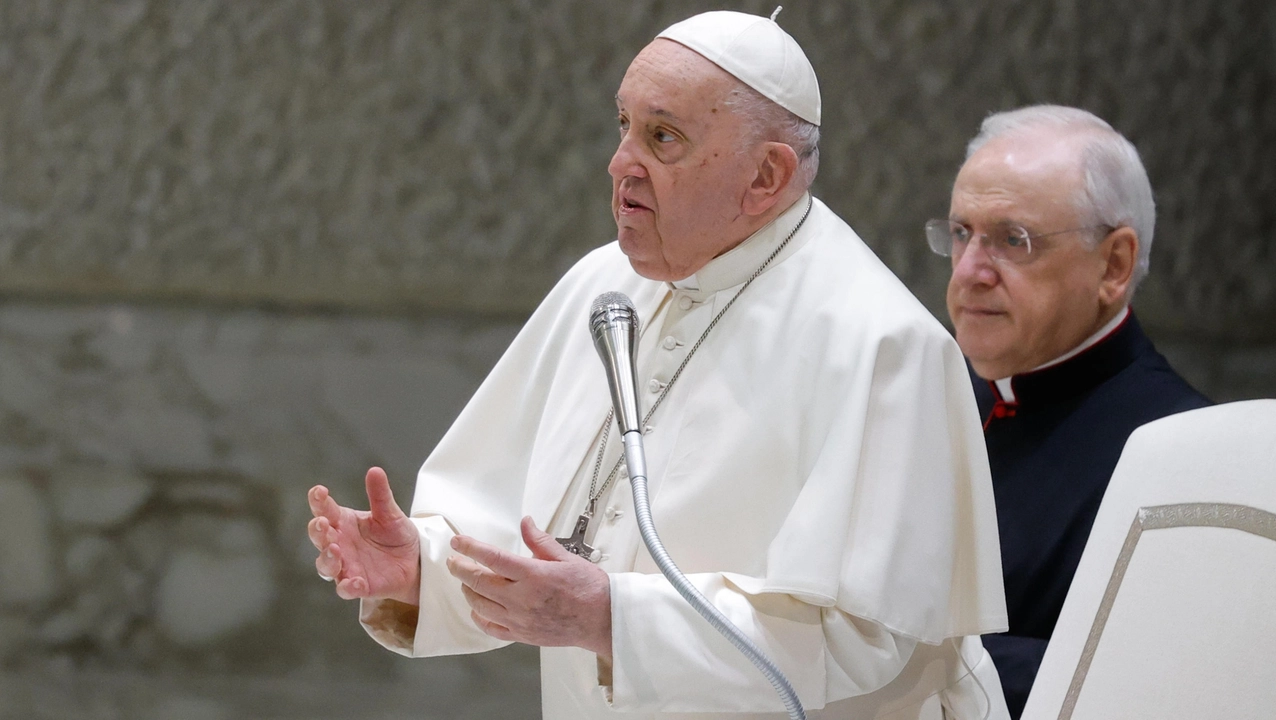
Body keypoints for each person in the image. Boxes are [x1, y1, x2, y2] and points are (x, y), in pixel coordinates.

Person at [309, 11, 1009, 719]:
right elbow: (522, 531)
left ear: (766, 175)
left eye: (662, 137)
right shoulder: (603, 284)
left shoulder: (882, 346)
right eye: (623, 126)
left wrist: (612, 620)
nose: (621, 164)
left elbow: (865, 635)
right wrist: (420, 571)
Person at [931, 104, 1212, 718]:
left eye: (1013, 240)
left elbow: (1145, 687)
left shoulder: (1183, 458)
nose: (971, 271)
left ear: (1113, 265)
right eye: (960, 233)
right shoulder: (927, 400)